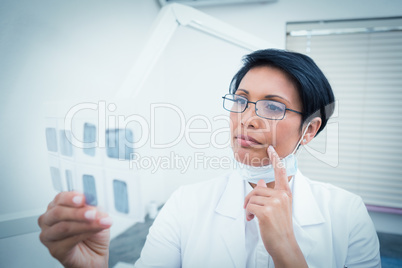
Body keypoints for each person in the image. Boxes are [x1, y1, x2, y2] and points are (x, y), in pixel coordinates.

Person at [38, 49, 381, 267]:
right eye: (241, 100)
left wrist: (287, 252)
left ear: (309, 130)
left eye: (273, 106)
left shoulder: (347, 214)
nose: (247, 117)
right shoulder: (185, 203)